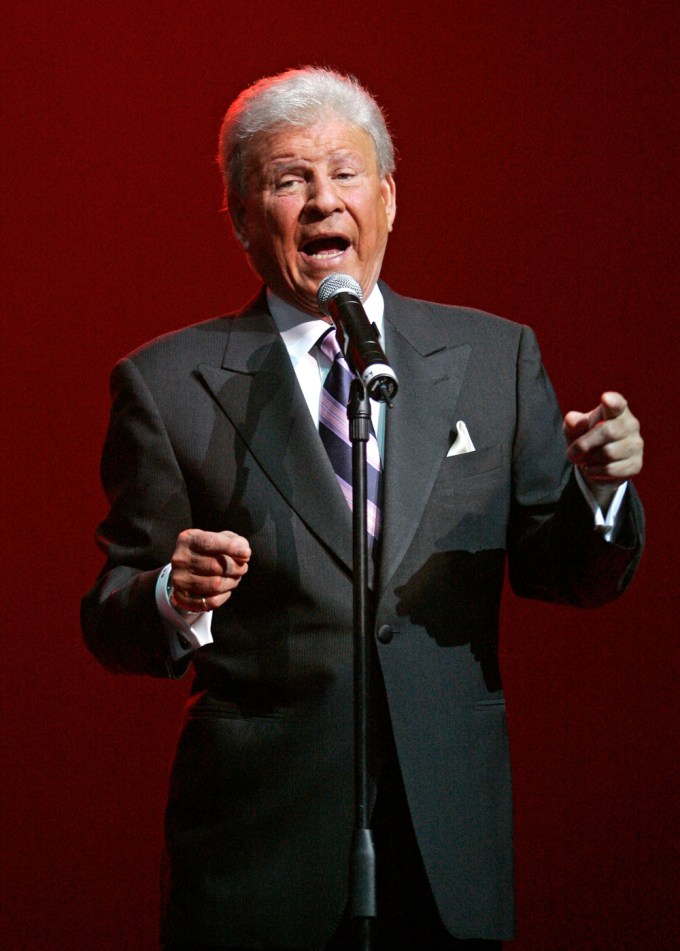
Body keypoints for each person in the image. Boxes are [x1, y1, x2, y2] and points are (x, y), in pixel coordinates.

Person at [81, 67, 644, 951]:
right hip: (259, 852)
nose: (320, 202)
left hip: (446, 848)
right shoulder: (167, 384)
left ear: (386, 198)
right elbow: (111, 614)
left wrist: (600, 491)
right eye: (287, 179)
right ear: (240, 216)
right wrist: (171, 595)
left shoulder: (495, 359)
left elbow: (566, 571)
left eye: (345, 174)